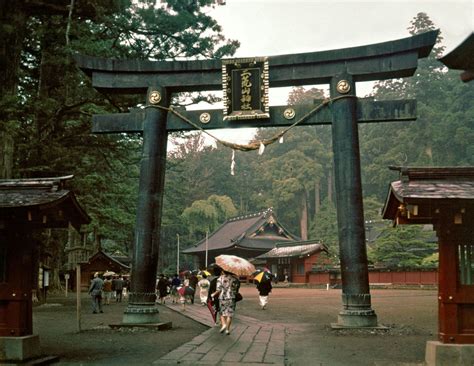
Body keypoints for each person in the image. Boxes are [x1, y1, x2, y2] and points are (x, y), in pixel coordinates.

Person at [211, 270, 240, 335]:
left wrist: (213, 294)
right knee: (230, 314)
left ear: (223, 271)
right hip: (231, 297)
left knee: (222, 312)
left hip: (222, 297)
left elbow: (219, 289)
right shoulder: (235, 279)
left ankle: (223, 324)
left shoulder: (220, 278)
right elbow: (236, 289)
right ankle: (227, 330)